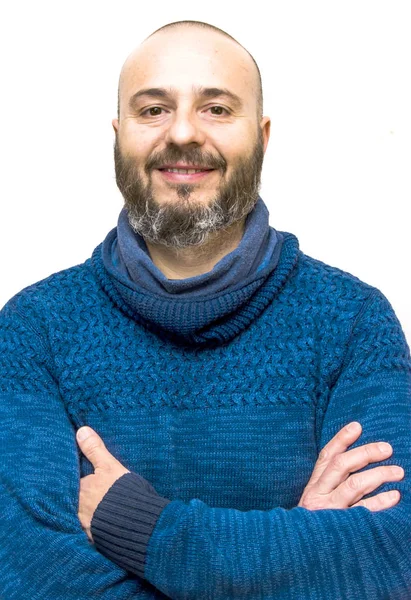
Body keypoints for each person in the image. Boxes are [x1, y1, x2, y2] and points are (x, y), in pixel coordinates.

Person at [0, 19, 410, 600]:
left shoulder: (353, 323)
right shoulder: (31, 331)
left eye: (217, 108)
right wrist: (299, 548)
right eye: (153, 110)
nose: (184, 133)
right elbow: (30, 579)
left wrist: (139, 525)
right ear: (119, 135)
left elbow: (391, 559)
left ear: (263, 136)